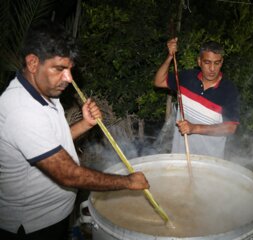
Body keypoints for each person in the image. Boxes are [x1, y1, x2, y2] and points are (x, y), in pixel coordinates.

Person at [0, 23, 149, 240]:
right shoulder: (22, 110)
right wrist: (128, 182)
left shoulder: (43, 92)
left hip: (53, 216)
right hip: (32, 226)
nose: (69, 78)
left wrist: (85, 124)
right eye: (60, 69)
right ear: (32, 63)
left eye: (70, 69)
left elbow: (51, 142)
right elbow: (68, 175)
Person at [154, 37, 240, 159]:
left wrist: (195, 128)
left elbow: (230, 128)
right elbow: (159, 81)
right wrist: (169, 56)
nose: (212, 69)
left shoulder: (228, 90)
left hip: (209, 159)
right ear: (199, 61)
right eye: (207, 62)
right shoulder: (187, 78)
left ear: (221, 62)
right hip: (180, 154)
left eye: (217, 63)